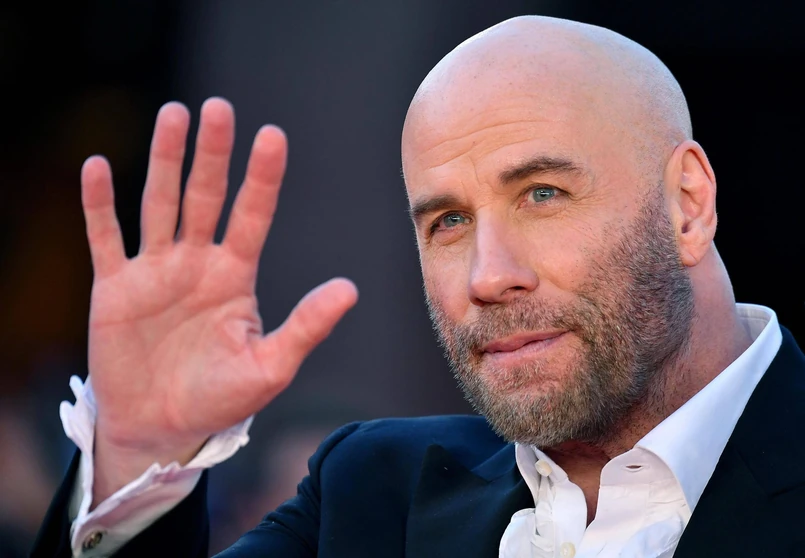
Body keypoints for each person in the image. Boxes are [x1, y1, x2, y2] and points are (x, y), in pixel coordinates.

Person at [31, 15, 805, 558]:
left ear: (685, 205)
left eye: (542, 194)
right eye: (448, 222)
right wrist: (141, 458)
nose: (487, 276)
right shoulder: (368, 496)